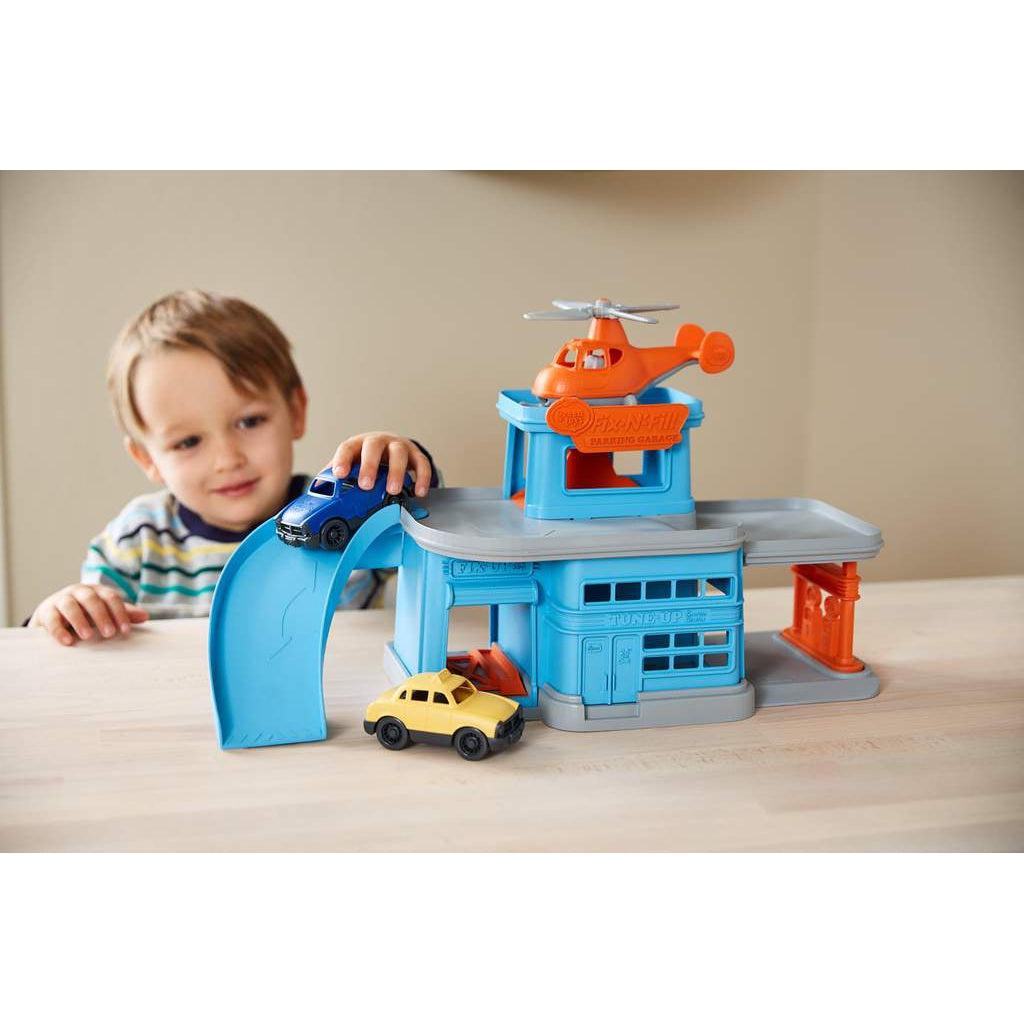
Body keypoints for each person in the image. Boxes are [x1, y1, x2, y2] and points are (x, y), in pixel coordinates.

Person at [28, 290, 439, 645]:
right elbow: (65, 640)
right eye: (188, 442)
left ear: (295, 411)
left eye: (249, 422)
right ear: (147, 459)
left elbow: (428, 522)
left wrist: (397, 466)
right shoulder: (137, 540)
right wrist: (64, 613)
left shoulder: (352, 508)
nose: (228, 460)